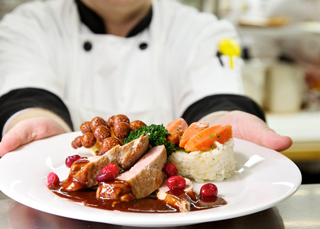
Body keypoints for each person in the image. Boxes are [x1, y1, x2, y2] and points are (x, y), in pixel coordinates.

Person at [0, 0, 292, 157]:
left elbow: (215, 97)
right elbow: (27, 94)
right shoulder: (28, 24)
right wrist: (29, 121)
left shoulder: (204, 29)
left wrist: (225, 123)